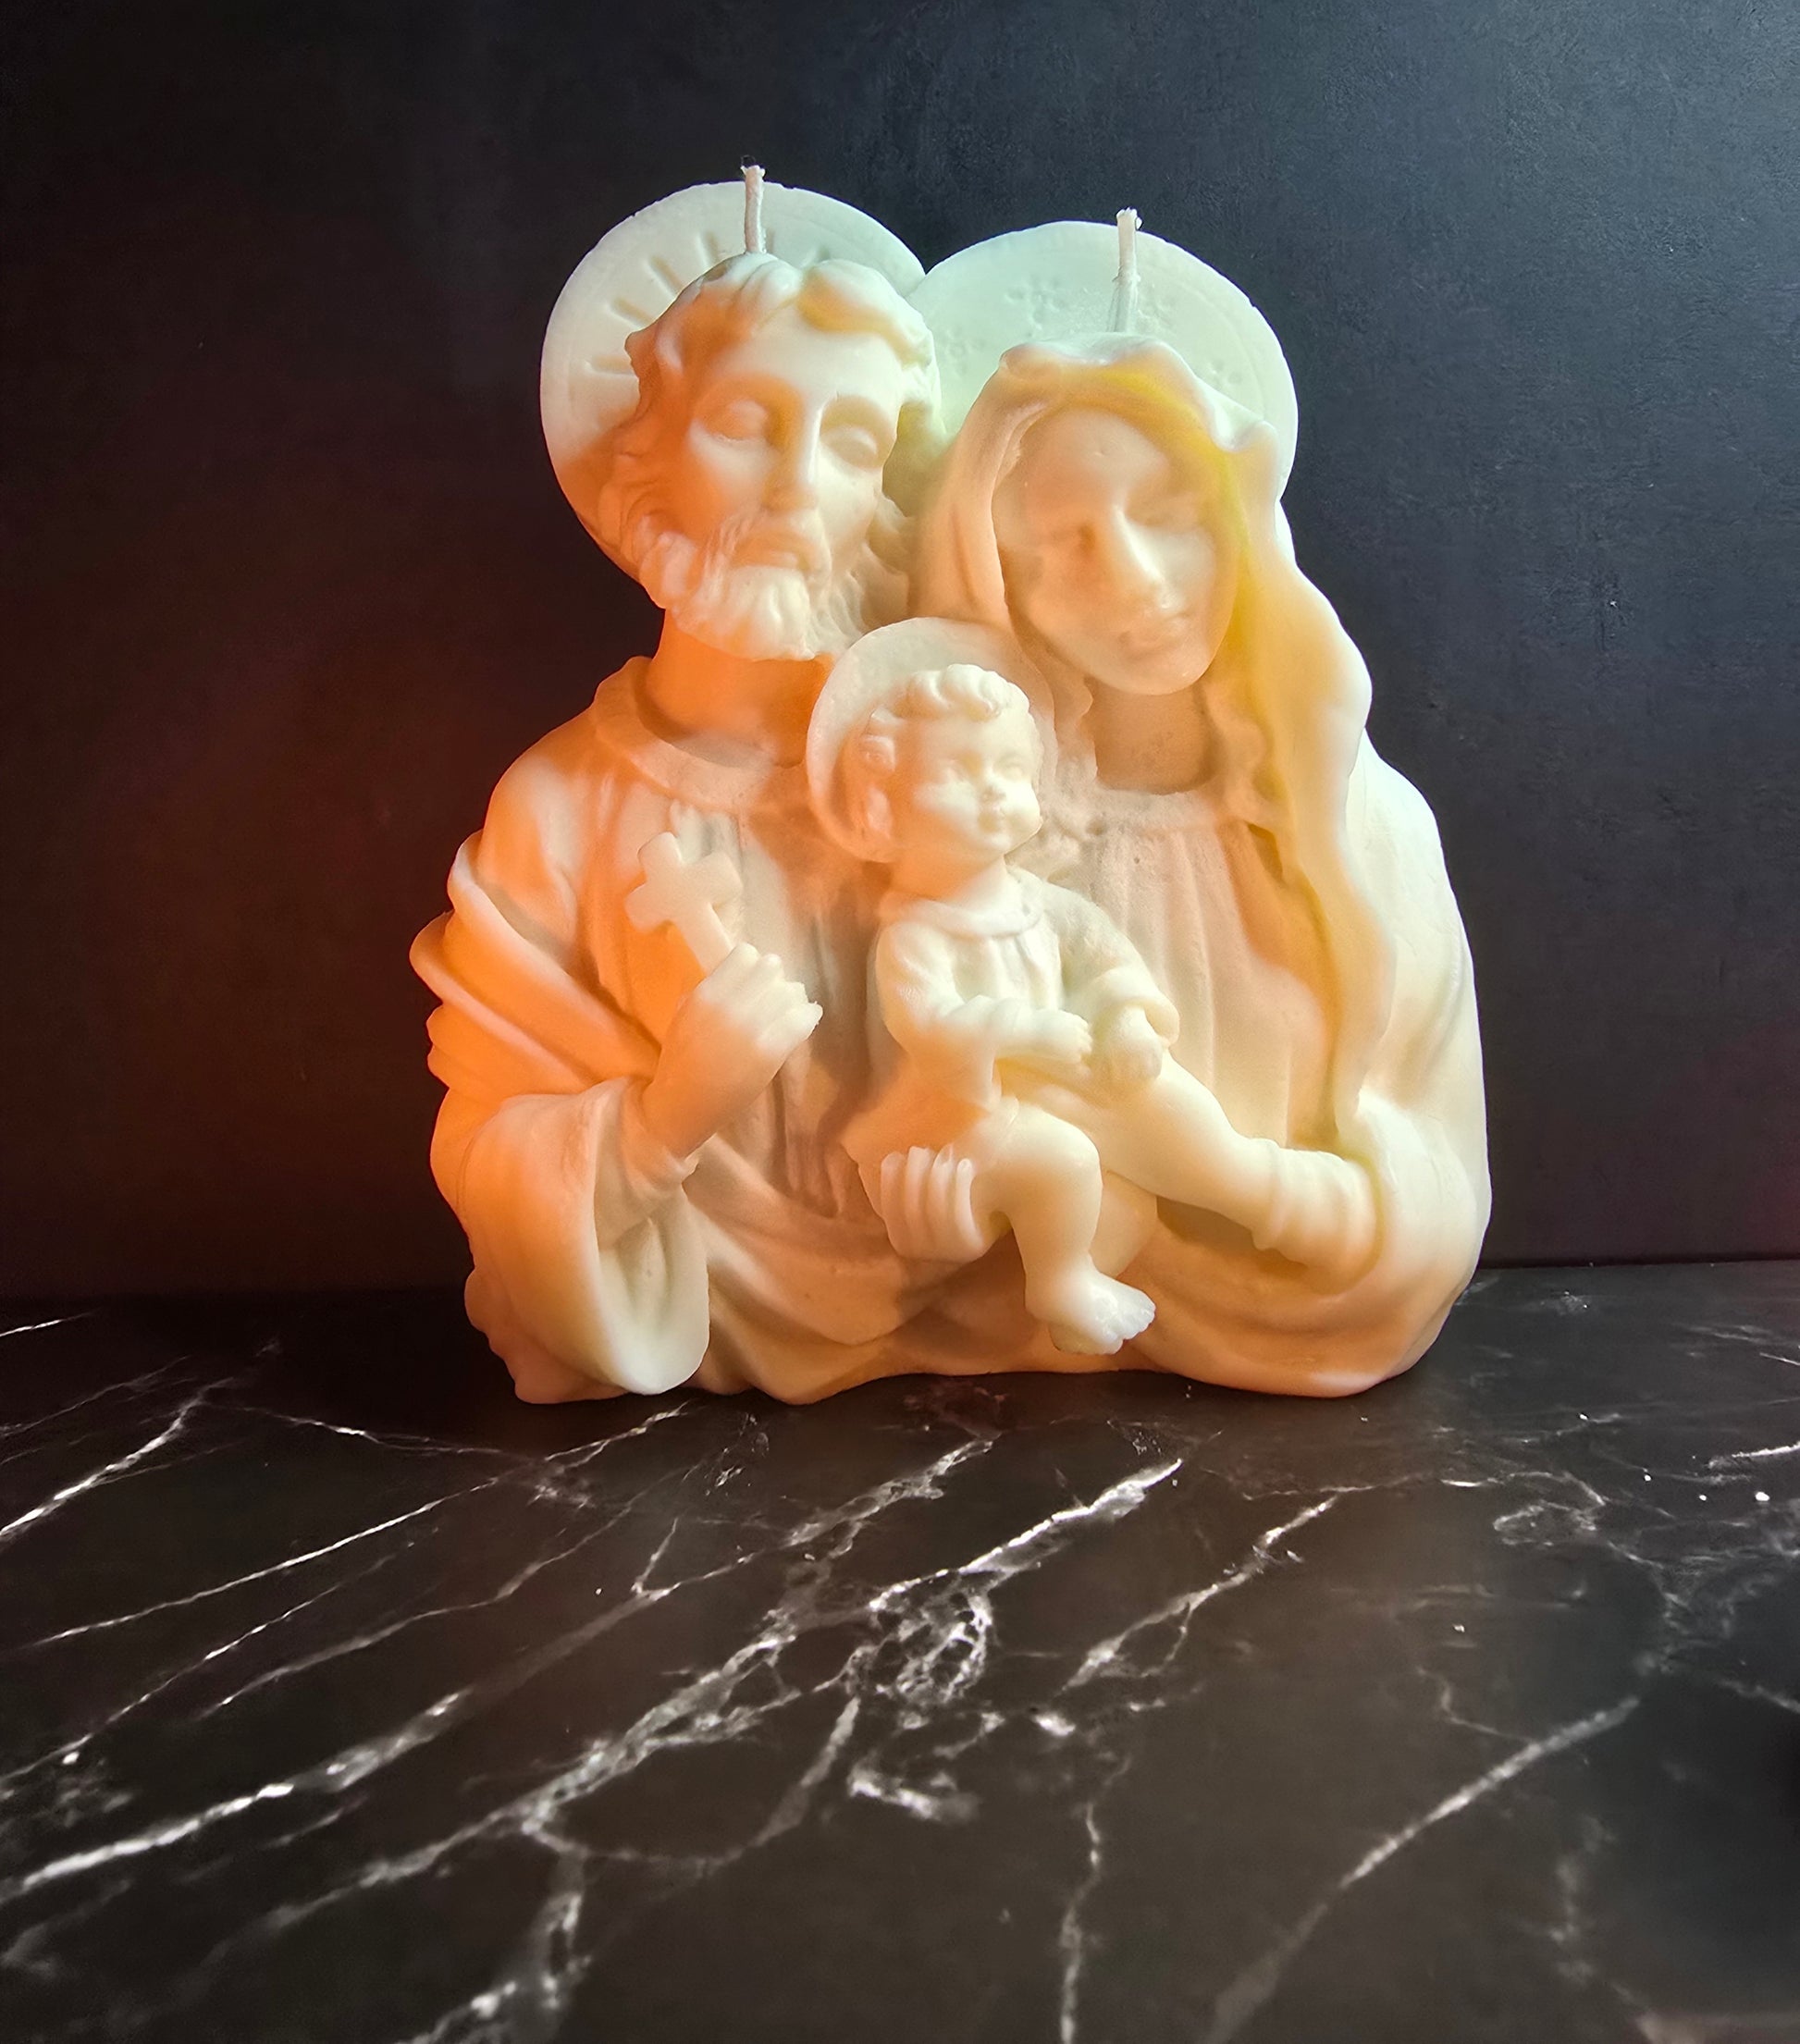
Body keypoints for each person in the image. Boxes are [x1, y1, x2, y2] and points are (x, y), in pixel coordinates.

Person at [411, 248, 947, 1398]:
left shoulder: (930, 781)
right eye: (746, 424)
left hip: (952, 1325)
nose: (796, 485)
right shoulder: (557, 810)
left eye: (852, 441)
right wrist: (662, 1121)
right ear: (649, 456)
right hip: (678, 1322)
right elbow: (486, 1154)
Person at [913, 338, 1490, 1395]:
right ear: (999, 585)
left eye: (1169, 514)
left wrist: (1229, 1177)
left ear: (1235, 524)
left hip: (1307, 1369)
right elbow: (926, 1139)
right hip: (1033, 1394)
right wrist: (948, 1215)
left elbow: (1432, 1212)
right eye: (1064, 544)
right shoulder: (983, 855)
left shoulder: (1365, 837)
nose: (1136, 581)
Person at [812, 632, 1375, 1355]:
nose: (993, 790)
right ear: (884, 805)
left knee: (1164, 1100)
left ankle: (1272, 1198)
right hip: (960, 1114)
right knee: (1063, 1162)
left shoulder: (1044, 905)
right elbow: (927, 1023)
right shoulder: (915, 935)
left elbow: (1107, 960)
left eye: (1010, 769)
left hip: (1064, 1077)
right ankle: (1060, 1283)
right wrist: (1023, 1032)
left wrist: (1126, 1019)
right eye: (957, 771)